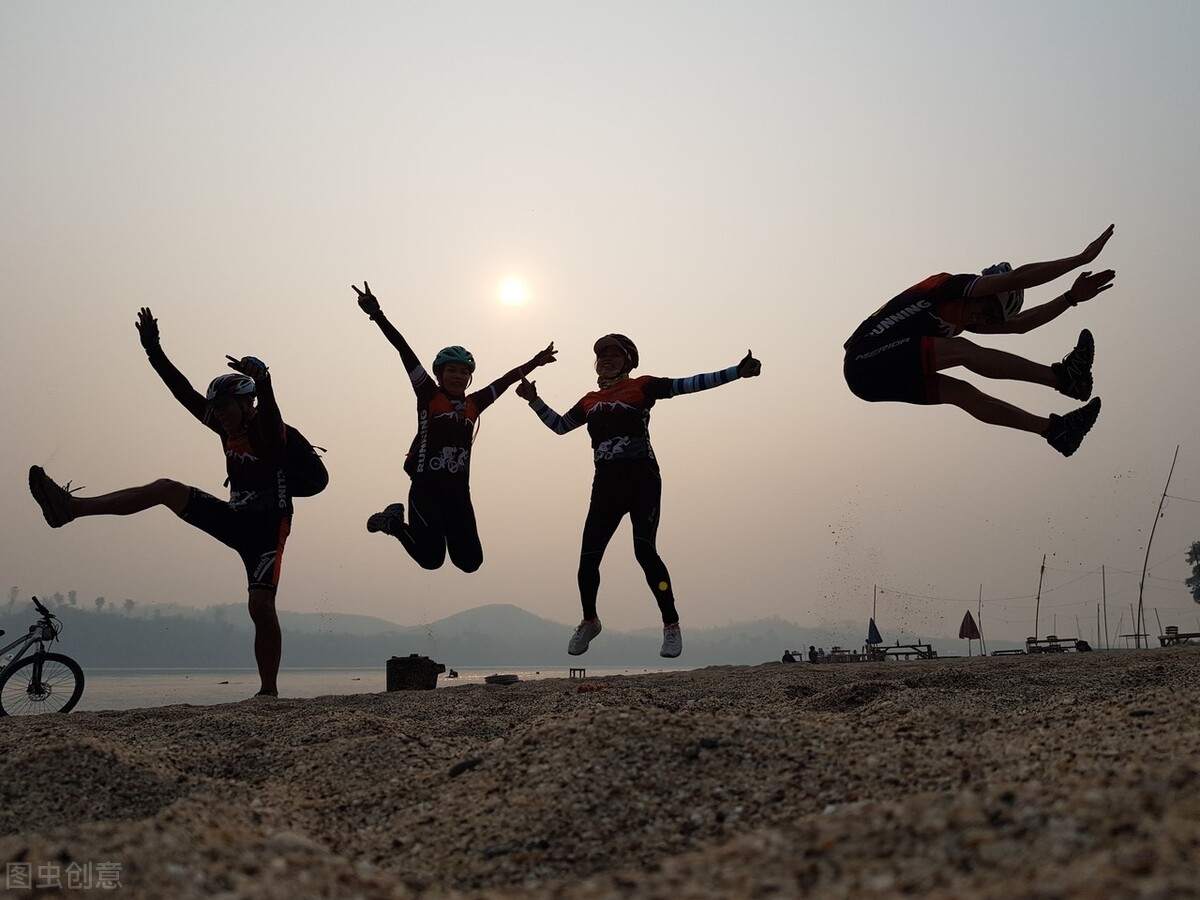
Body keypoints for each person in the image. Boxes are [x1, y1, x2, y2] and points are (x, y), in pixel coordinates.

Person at [28, 307, 305, 698]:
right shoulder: (223, 426)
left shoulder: (267, 431)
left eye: (226, 406)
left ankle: (268, 693)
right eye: (218, 409)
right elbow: (183, 392)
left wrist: (265, 380)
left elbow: (273, 414)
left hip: (266, 529)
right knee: (165, 488)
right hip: (234, 517)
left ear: (246, 404)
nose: (220, 415)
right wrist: (153, 350)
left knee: (260, 607)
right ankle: (68, 509)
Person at [516, 333, 762, 659]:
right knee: (588, 559)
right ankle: (590, 620)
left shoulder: (642, 386)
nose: (606, 360)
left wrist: (736, 371)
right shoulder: (589, 400)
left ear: (629, 362)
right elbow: (561, 426)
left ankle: (670, 624)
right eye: (602, 356)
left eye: (615, 356)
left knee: (645, 553)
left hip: (642, 480)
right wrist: (534, 400)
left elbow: (688, 384)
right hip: (605, 487)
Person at [843, 225, 1117, 457]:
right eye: (987, 309)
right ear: (985, 288)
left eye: (991, 318)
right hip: (863, 360)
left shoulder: (967, 319)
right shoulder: (952, 287)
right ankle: (1064, 379)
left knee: (961, 392)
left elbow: (1020, 325)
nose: (983, 318)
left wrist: (1069, 298)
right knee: (962, 351)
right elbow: (1017, 278)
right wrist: (1080, 259)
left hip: (875, 381)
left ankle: (1056, 431)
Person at [352, 281, 557, 571]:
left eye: (464, 372)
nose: (458, 376)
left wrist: (535, 362)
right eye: (452, 371)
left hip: (459, 493)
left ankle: (406, 526)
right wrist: (377, 315)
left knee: (470, 562)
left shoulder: (474, 404)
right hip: (426, 489)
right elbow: (404, 350)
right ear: (440, 374)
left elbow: (505, 380)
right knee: (431, 559)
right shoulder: (429, 395)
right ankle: (393, 523)